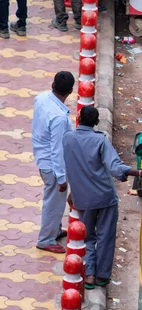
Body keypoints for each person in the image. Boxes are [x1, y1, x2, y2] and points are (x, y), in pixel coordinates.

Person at [62, 106, 142, 289]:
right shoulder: (100, 140)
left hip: (82, 198)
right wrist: (138, 172)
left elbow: (71, 167)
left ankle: (89, 274)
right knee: (105, 236)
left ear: (79, 119)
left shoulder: (67, 139)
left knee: (87, 237)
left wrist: (72, 191)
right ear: (96, 122)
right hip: (104, 197)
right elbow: (115, 167)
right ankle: (102, 275)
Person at [32, 72, 75, 253]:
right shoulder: (59, 118)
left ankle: (54, 230)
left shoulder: (41, 98)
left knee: (55, 201)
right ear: (71, 91)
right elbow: (57, 150)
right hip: (52, 165)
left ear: (52, 84)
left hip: (42, 157)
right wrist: (62, 178)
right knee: (54, 202)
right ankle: (46, 239)